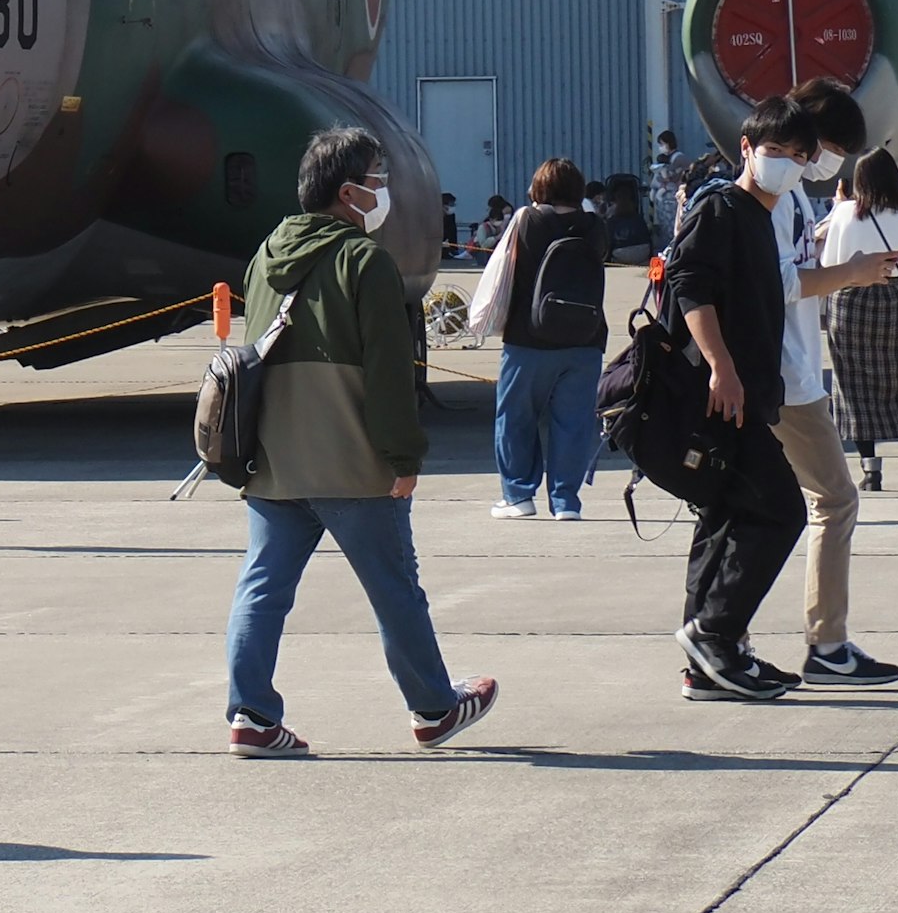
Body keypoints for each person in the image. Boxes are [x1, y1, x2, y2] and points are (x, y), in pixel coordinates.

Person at [221, 127, 497, 756]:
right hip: (351, 460)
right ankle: (433, 708)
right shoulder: (364, 261)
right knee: (395, 588)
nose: (385, 189)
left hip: (273, 459)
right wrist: (404, 457)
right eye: (379, 178)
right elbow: (389, 373)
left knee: (262, 588)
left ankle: (250, 715)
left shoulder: (264, 256)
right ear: (349, 193)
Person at [659, 99, 817, 703]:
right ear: (746, 149)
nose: (783, 163)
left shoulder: (759, 217)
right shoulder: (722, 207)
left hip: (745, 393)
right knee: (782, 510)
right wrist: (722, 367)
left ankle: (709, 663)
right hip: (724, 394)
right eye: (773, 151)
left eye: (796, 156)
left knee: (723, 519)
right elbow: (687, 282)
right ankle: (715, 634)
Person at [768, 120, 898, 687]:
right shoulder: (778, 199)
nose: (834, 161)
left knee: (762, 510)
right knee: (835, 499)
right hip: (785, 375)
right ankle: (825, 642)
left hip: (792, 366)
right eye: (832, 147)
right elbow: (778, 282)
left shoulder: (796, 194)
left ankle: (719, 636)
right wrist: (850, 273)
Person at [481, 157, 608, 519]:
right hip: (585, 338)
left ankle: (518, 495)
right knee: (574, 422)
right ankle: (566, 501)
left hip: (528, 339)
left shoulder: (527, 220)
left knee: (516, 417)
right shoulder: (596, 227)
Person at [823, 149, 898, 494]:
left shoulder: (844, 213)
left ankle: (871, 472)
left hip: (849, 299)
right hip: (890, 298)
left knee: (852, 384)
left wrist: (837, 207)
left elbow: (830, 262)